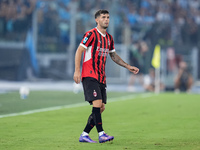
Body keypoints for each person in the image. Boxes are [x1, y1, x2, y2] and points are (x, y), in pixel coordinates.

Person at [73, 9, 139, 143]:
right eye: (103, 17)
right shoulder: (91, 34)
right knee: (97, 103)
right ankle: (101, 134)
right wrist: (77, 71)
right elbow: (79, 50)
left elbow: (113, 55)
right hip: (89, 74)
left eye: (108, 17)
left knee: (101, 107)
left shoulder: (109, 38)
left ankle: (84, 134)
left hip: (101, 77)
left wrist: (128, 66)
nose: (106, 19)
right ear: (97, 20)